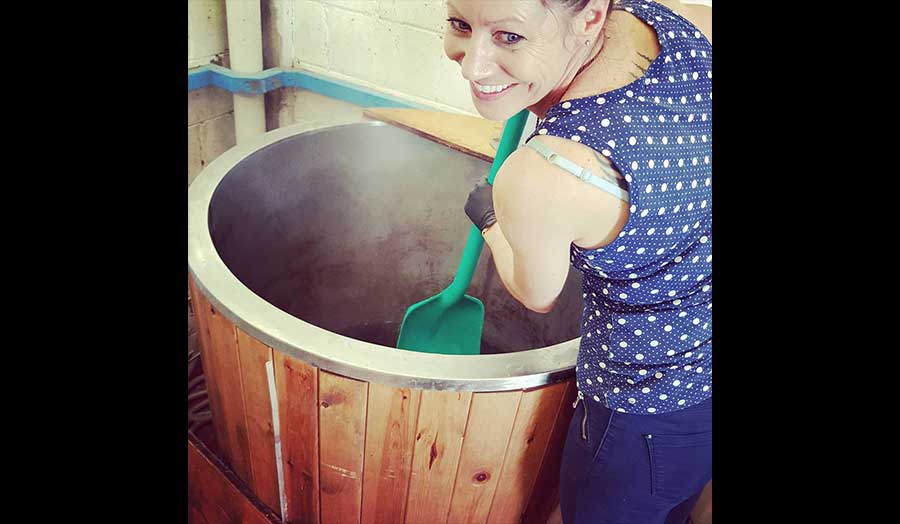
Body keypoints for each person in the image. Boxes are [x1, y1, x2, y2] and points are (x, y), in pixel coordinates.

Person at [446, 1, 712, 522]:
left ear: (590, 18)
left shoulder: (548, 171)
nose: (472, 65)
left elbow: (536, 292)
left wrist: (490, 218)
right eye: (460, 24)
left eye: (509, 37)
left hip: (644, 409)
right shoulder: (681, 20)